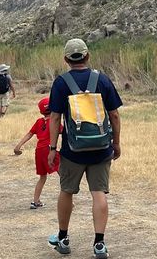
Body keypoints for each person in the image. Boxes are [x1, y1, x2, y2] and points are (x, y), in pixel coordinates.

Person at [47, 39, 122, 259]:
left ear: (66, 59)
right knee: (98, 193)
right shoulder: (103, 80)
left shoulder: (61, 83)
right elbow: (114, 115)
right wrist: (115, 143)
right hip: (101, 149)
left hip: (72, 150)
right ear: (87, 56)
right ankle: (99, 243)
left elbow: (54, 117)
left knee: (67, 191)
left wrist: (52, 148)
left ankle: (63, 237)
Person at [14, 96, 61, 209]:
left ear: (41, 111)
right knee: (62, 174)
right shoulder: (55, 121)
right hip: (49, 150)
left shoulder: (39, 122)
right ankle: (68, 201)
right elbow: (63, 131)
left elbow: (29, 134)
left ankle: (35, 201)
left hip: (39, 151)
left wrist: (18, 145)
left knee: (42, 177)